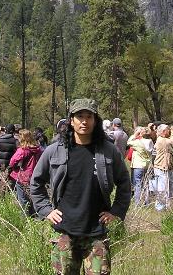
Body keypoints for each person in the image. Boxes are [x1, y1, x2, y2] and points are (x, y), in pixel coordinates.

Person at [30, 98, 131, 275]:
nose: (84, 121)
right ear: (71, 120)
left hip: (96, 233)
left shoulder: (108, 150)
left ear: (95, 120)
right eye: (79, 116)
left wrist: (116, 211)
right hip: (64, 231)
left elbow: (124, 183)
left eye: (89, 116)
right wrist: (46, 210)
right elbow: (36, 182)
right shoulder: (54, 150)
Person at [8, 129, 43, 215]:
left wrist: (14, 167)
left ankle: (25, 219)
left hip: (23, 176)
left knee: (23, 199)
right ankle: (35, 216)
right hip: (35, 175)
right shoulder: (38, 149)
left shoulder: (23, 150)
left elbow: (12, 161)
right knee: (33, 198)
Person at [152, 123, 173, 211]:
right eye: (168, 130)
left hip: (167, 167)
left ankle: (168, 206)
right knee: (162, 189)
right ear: (163, 132)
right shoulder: (161, 140)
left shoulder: (164, 139)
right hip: (161, 168)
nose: (169, 131)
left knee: (171, 188)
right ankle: (160, 207)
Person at [126, 126, 154, 204]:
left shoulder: (138, 142)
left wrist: (135, 134)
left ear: (141, 134)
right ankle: (147, 201)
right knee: (146, 183)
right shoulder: (150, 141)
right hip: (147, 165)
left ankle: (137, 202)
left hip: (138, 165)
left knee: (137, 184)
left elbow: (128, 142)